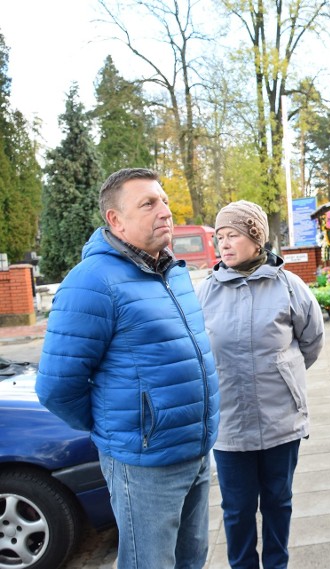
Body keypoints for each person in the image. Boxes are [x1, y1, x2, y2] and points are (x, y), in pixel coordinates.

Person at [35, 168, 220, 569]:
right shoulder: (92, 282)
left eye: (165, 201)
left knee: (192, 560)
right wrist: (121, 427)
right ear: (115, 220)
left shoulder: (173, 271)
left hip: (195, 451)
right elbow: (55, 387)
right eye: (148, 204)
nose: (165, 211)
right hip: (145, 465)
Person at [196, 200, 324, 569]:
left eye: (232, 234)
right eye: (220, 236)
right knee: (236, 510)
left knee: (278, 502)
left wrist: (286, 373)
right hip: (231, 426)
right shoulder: (206, 293)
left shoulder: (289, 286)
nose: (224, 243)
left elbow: (311, 341)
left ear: (256, 238)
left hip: (279, 420)